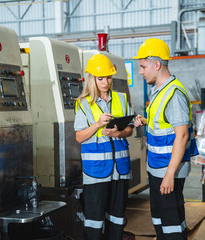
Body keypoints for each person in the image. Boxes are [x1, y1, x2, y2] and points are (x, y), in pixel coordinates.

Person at [133, 38, 198, 240]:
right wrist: (146, 121)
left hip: (168, 170)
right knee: (160, 220)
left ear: (157, 64)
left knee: (172, 225)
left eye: (143, 66)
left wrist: (170, 174)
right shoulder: (158, 91)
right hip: (157, 167)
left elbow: (182, 134)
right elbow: (164, 124)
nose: (141, 72)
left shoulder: (174, 93)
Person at [74, 54, 134, 240]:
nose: (106, 82)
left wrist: (119, 133)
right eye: (101, 78)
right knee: (94, 220)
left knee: (116, 218)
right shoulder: (83, 104)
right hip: (96, 172)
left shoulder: (121, 99)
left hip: (120, 171)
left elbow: (130, 130)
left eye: (108, 77)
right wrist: (97, 125)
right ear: (92, 79)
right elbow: (79, 137)